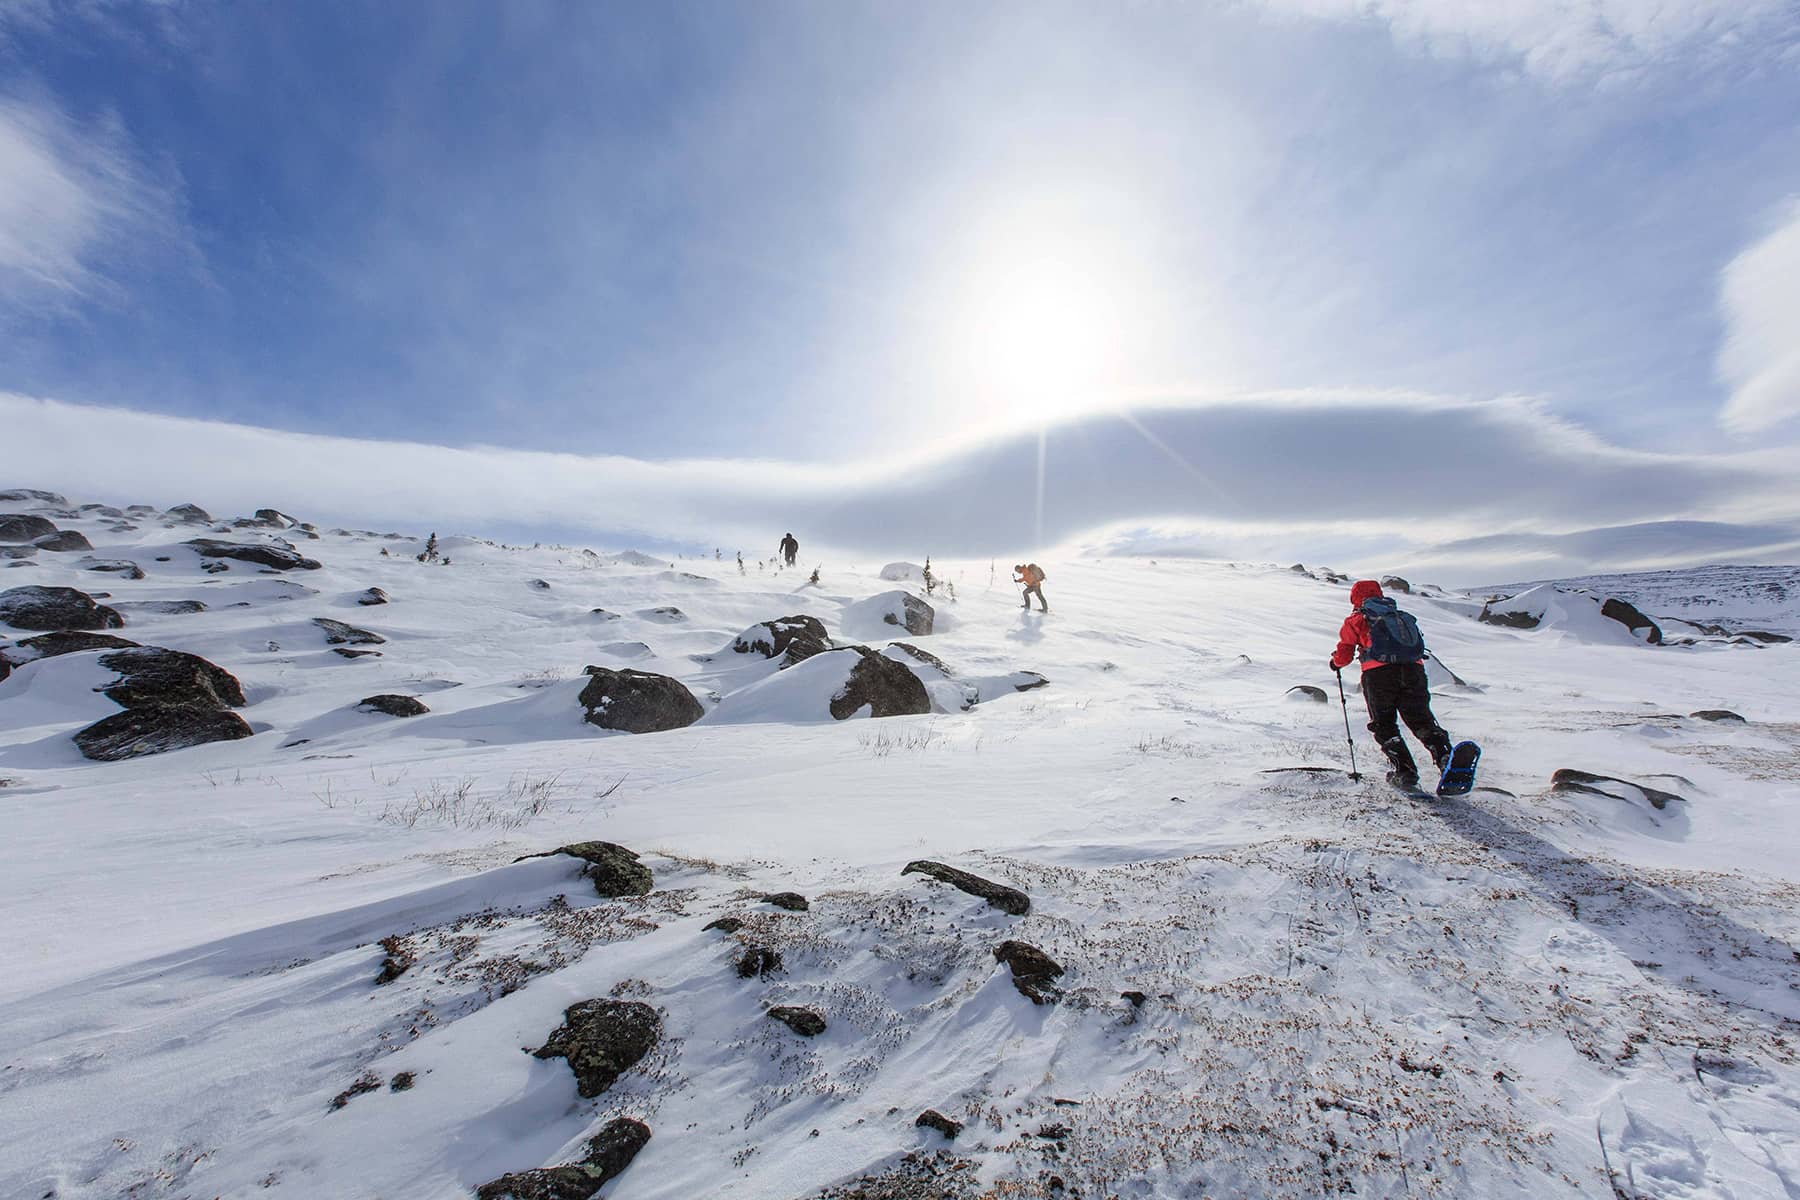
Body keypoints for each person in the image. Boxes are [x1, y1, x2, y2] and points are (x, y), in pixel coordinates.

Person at [1330, 579, 1452, 789]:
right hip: (1414, 671)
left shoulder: (1357, 619)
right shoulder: (1399, 616)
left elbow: (1345, 653)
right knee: (1421, 720)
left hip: (1378, 675)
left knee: (1384, 723)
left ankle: (1405, 771)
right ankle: (1446, 758)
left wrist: (1335, 663)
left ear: (1354, 597)